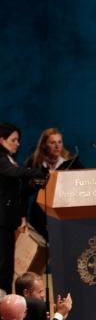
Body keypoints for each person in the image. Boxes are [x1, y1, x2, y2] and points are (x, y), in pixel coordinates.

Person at [0, 123, 47, 292]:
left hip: (8, 219)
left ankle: (6, 296)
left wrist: (34, 184)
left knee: (7, 264)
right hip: (2, 220)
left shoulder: (9, 158)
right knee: (3, 263)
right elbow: (14, 172)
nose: (17, 143)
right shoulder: (1, 158)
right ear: (1, 140)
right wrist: (38, 172)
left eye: (18, 140)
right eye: (13, 140)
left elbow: (18, 187)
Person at [27, 127, 83, 237]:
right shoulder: (35, 163)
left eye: (59, 142)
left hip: (65, 214)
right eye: (52, 143)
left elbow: (83, 183)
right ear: (44, 145)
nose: (57, 146)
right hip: (40, 214)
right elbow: (25, 190)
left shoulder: (72, 163)